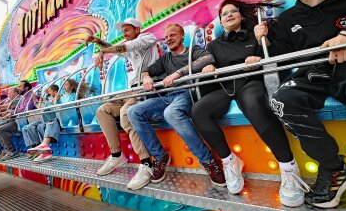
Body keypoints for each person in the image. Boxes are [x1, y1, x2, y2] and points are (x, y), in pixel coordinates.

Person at [253, 0, 346, 208]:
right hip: (315, 72)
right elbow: (277, 56)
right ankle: (334, 168)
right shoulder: (287, 20)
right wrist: (262, 42)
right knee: (280, 100)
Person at [190, 0, 309, 205]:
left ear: (241, 15)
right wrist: (208, 69)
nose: (229, 15)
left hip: (250, 82)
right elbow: (208, 64)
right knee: (198, 110)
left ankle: (289, 167)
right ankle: (230, 161)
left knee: (254, 103)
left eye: (233, 11)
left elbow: (279, 56)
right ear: (221, 21)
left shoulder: (257, 32)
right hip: (227, 86)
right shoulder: (214, 45)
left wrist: (262, 52)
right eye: (224, 14)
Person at [128, 23, 225, 188]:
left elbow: (208, 59)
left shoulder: (192, 51)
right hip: (168, 96)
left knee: (171, 113)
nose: (168, 39)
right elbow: (146, 71)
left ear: (181, 36)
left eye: (172, 35)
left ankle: (208, 161)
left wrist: (178, 73)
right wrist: (146, 78)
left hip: (188, 93)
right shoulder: (165, 58)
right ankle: (159, 156)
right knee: (133, 111)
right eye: (166, 37)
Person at [86, 18, 159, 190]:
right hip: (131, 90)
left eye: (127, 30)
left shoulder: (147, 38)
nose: (124, 34)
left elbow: (124, 47)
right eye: (123, 31)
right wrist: (99, 44)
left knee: (127, 113)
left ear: (137, 30)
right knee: (103, 110)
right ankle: (116, 155)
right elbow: (118, 49)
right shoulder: (130, 47)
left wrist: (102, 51)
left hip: (145, 88)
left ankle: (147, 162)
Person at [27, 79, 85, 162]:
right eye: (63, 85)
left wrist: (56, 101)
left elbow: (66, 108)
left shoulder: (73, 96)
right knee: (41, 126)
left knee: (52, 121)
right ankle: (43, 151)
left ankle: (44, 146)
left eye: (66, 85)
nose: (64, 87)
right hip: (60, 118)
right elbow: (55, 108)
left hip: (70, 119)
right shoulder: (62, 97)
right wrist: (48, 102)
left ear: (72, 87)